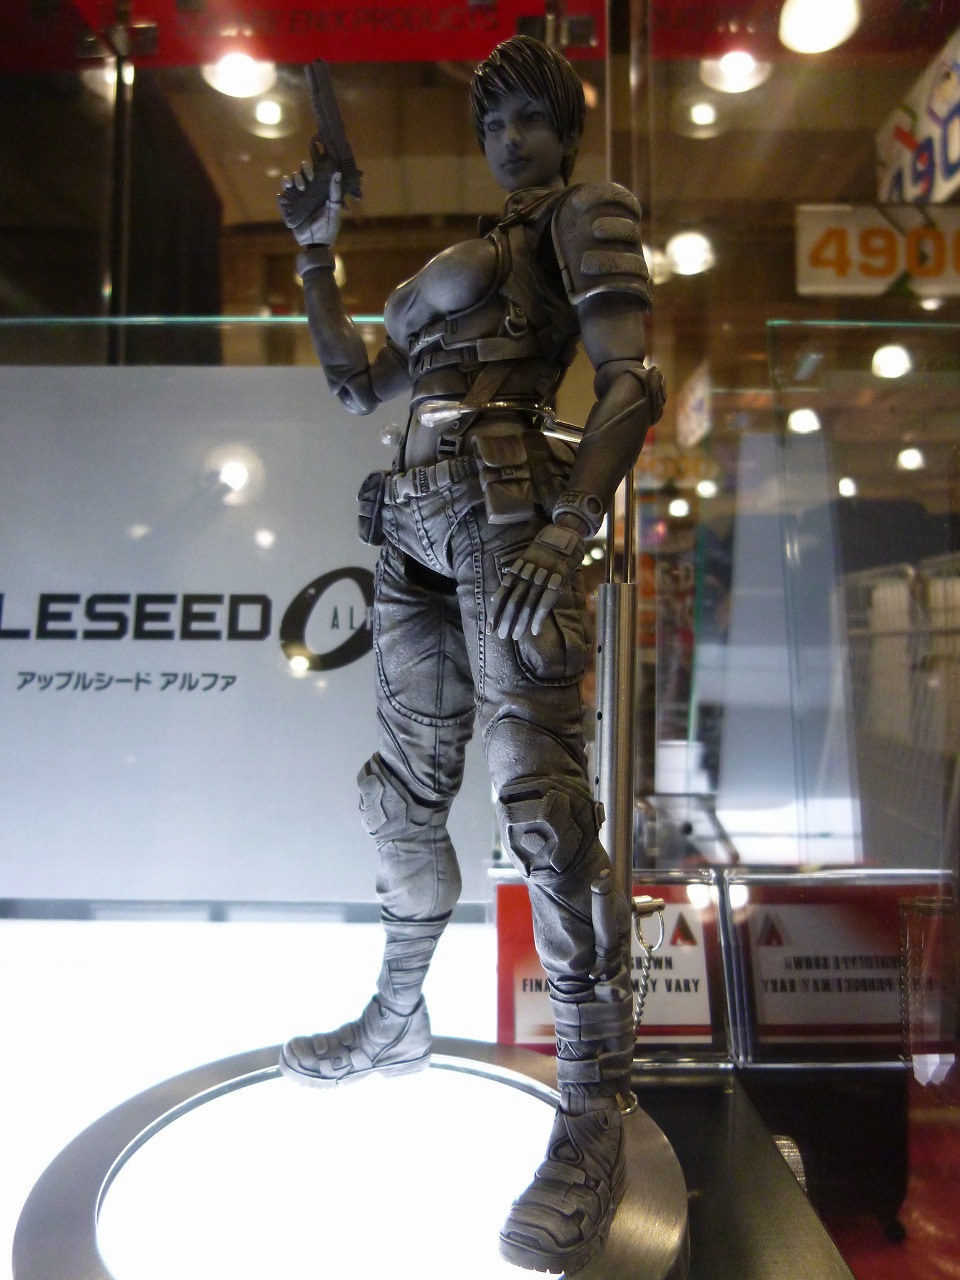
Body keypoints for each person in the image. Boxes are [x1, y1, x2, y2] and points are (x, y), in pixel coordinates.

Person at [278, 35, 665, 1274]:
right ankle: (397, 1014)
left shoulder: (583, 216)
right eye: (493, 123)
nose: (508, 139)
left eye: (528, 120)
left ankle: (593, 1111)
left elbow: (631, 382)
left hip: (511, 514)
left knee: (543, 807)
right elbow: (358, 387)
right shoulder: (481, 247)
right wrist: (315, 255)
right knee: (404, 795)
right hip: (415, 520)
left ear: (566, 130)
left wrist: (569, 523)